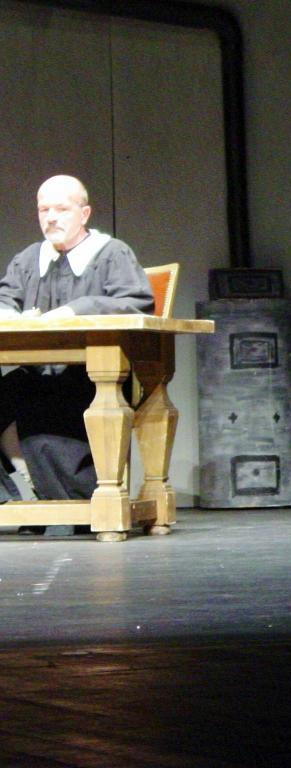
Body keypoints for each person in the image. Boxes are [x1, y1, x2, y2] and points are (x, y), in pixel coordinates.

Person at [0, 175, 154, 530]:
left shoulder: (111, 254)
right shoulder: (29, 259)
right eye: (44, 210)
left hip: (94, 379)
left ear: (84, 214)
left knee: (44, 415)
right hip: (38, 375)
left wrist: (77, 309)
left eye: (62, 209)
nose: (51, 217)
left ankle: (70, 504)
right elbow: (6, 298)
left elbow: (135, 302)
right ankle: (24, 497)